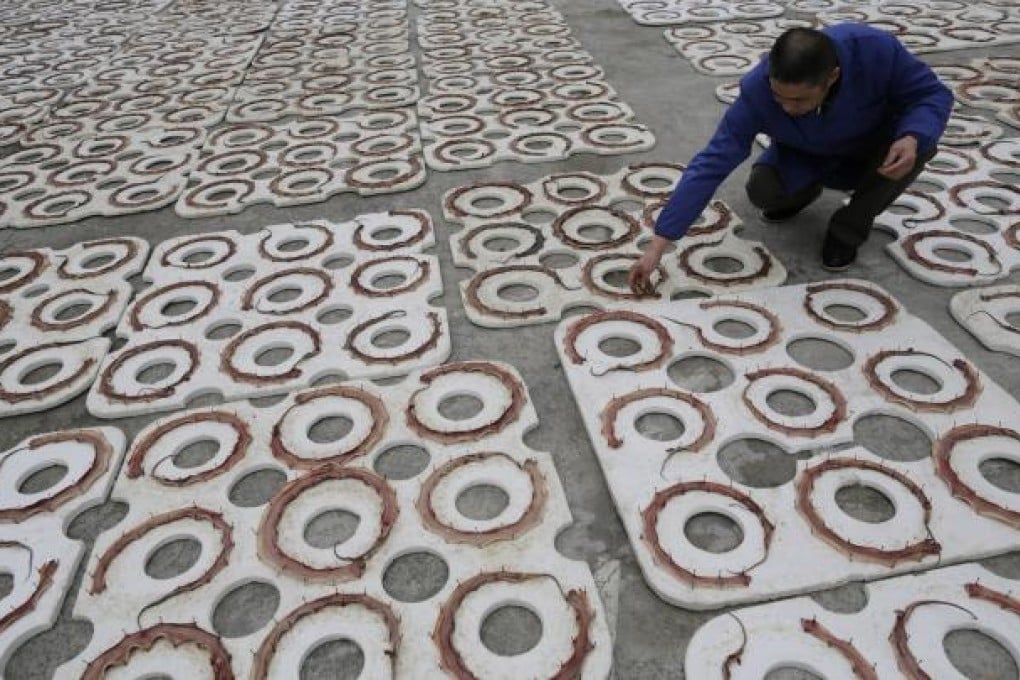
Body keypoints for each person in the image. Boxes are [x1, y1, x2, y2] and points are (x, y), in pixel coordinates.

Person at [629, 24, 954, 293]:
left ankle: (847, 232)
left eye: (799, 100)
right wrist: (659, 244)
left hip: (868, 152)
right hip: (806, 152)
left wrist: (912, 135)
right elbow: (712, 162)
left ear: (832, 77)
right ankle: (802, 191)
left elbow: (932, 94)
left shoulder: (874, 50)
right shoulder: (757, 90)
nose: (787, 107)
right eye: (778, 97)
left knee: (921, 145)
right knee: (763, 191)